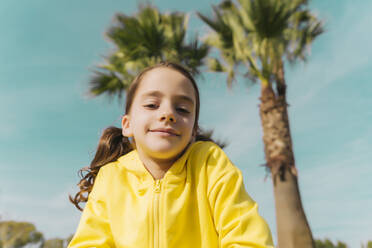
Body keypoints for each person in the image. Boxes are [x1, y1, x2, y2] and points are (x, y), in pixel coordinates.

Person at [68, 62, 274, 248]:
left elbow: (248, 238)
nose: (168, 114)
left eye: (183, 109)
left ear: (194, 131)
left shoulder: (209, 163)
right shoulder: (111, 177)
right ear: (127, 124)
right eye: (151, 105)